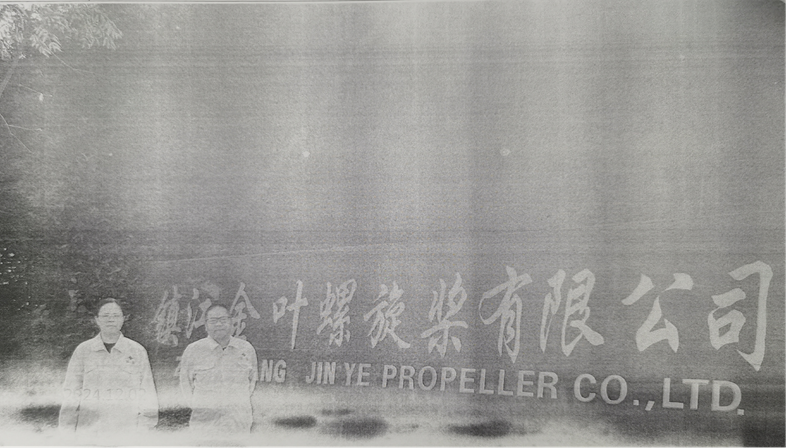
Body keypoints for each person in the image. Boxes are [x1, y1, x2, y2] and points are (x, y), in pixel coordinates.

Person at [59, 298, 158, 432]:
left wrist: (145, 430)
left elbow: (148, 394)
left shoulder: (137, 351)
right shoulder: (83, 350)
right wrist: (67, 432)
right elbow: (71, 393)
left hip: (126, 430)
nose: (111, 320)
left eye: (116, 315)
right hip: (90, 431)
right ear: (97, 319)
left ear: (123, 319)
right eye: (105, 316)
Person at [179, 304, 259, 433]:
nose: (218, 324)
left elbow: (252, 382)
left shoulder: (245, 349)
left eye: (223, 320)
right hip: (205, 423)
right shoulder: (194, 350)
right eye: (213, 321)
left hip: (238, 420)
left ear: (231, 322)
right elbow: (185, 385)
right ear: (206, 325)